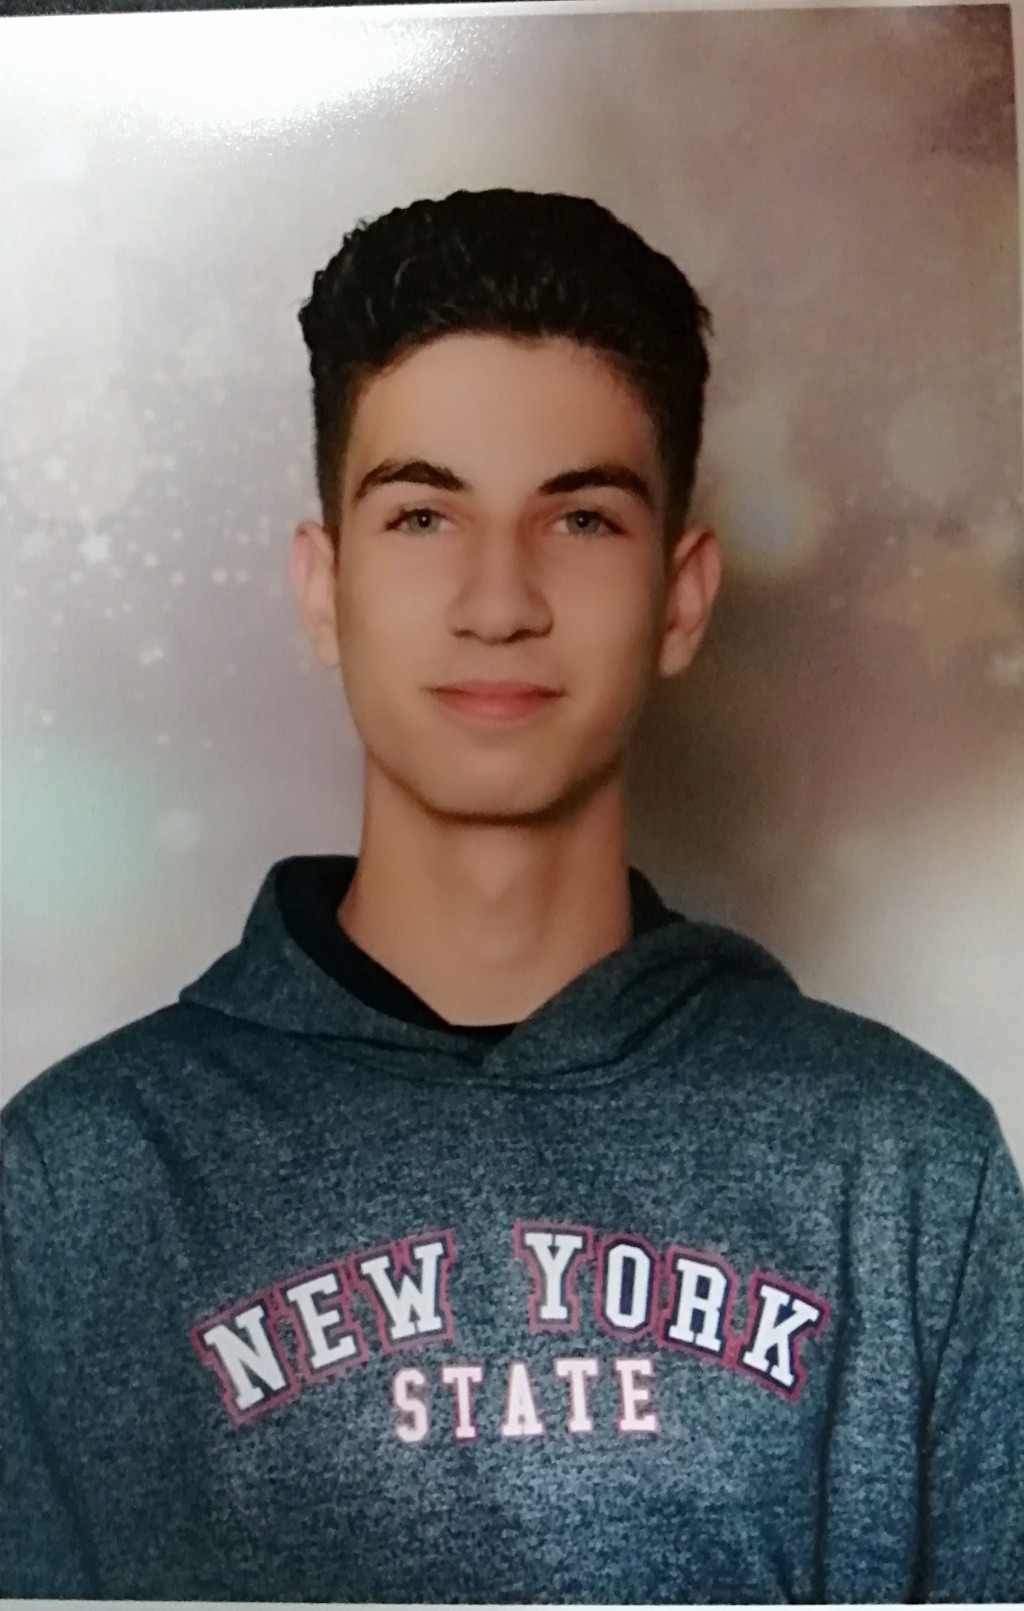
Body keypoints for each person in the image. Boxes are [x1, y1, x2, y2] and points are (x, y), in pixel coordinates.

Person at [2, 187, 1022, 1604]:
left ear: (682, 598)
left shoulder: (902, 1170)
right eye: (423, 515)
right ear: (324, 587)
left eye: (581, 518)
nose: (499, 601)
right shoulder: (78, 1184)